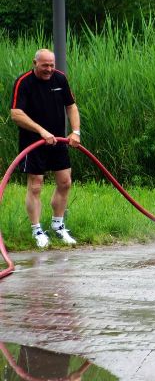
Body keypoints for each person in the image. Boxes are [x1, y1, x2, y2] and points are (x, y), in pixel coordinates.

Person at [10, 49, 81, 248]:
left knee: (65, 182)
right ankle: (37, 230)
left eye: (52, 65)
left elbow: (71, 106)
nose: (49, 69)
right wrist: (41, 131)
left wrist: (75, 132)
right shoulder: (23, 82)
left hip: (58, 140)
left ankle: (58, 227)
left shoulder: (60, 79)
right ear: (35, 62)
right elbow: (16, 114)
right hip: (32, 143)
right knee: (36, 185)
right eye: (44, 65)